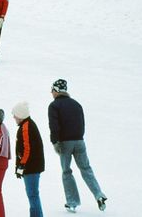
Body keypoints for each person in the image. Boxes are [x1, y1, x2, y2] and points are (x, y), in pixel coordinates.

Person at [48, 79, 107, 212]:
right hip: (80, 141)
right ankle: (99, 194)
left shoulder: (54, 106)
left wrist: (55, 142)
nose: (51, 93)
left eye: (52, 90)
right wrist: (79, 137)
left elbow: (54, 126)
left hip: (65, 143)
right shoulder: (76, 104)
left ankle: (72, 202)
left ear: (57, 90)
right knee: (86, 169)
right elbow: (82, 123)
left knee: (66, 171)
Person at [12, 102, 45, 217]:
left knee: (32, 194)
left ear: (21, 115)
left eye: (15, 115)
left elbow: (27, 149)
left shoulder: (26, 127)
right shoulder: (27, 124)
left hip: (32, 167)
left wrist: (21, 165)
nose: (14, 117)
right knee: (33, 194)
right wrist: (19, 166)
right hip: (32, 166)